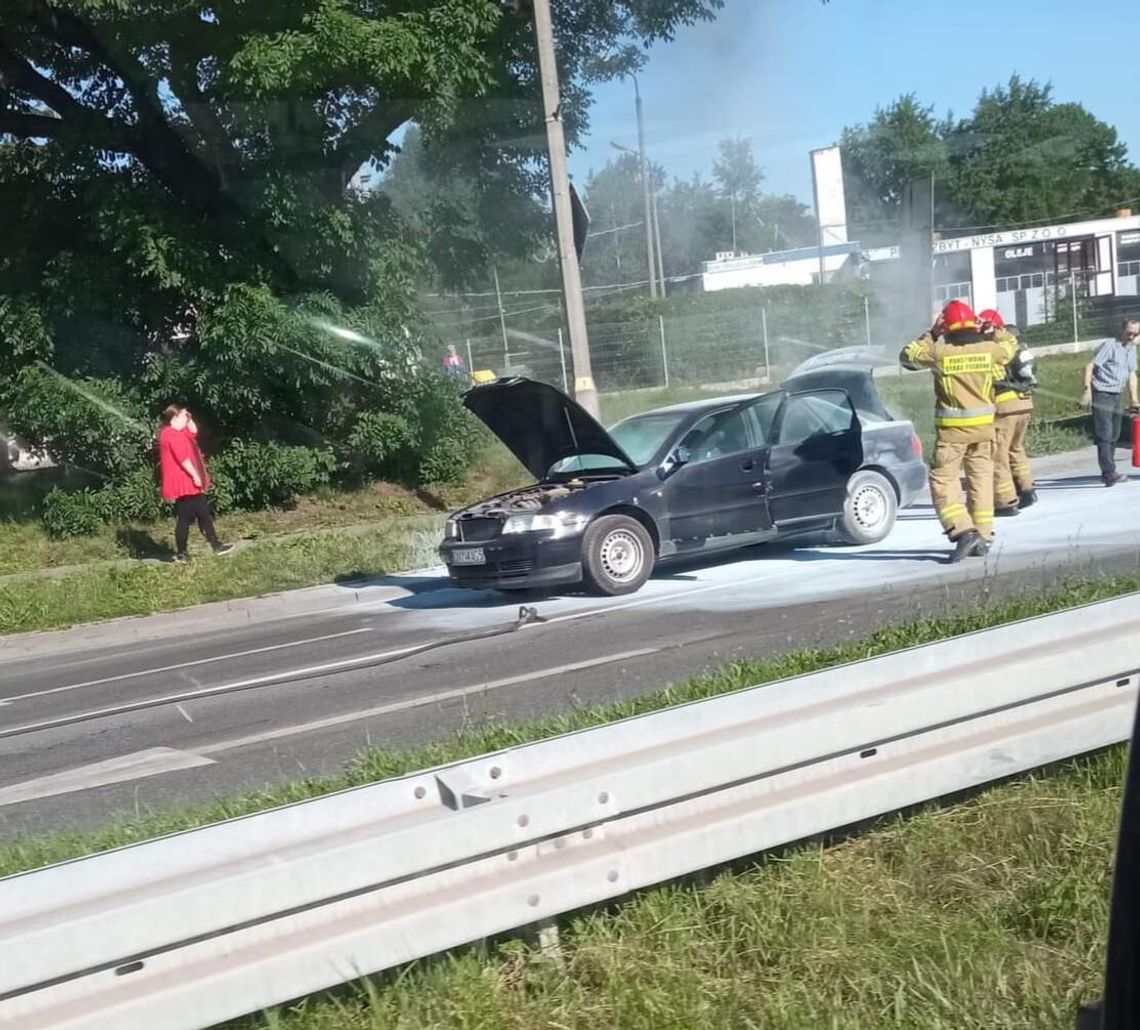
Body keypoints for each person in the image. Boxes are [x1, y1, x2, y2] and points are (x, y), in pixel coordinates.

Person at [900, 299, 1019, 563]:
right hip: (984, 430)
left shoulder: (941, 351)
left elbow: (907, 356)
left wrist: (931, 333)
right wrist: (993, 330)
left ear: (947, 326)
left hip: (953, 433)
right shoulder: (990, 349)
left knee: (943, 481)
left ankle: (963, 530)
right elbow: (1011, 346)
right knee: (980, 480)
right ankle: (984, 535)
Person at [978, 309, 1038, 516]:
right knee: (1016, 448)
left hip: (1005, 408)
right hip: (1024, 403)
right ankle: (1027, 490)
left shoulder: (992, 349)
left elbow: (989, 380)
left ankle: (1005, 502)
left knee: (998, 454)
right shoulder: (1014, 343)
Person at [158, 405, 233, 563]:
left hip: (188, 480)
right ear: (174, 417)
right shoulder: (170, 434)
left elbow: (194, 431)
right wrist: (195, 475)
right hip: (183, 481)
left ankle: (215, 545)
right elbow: (182, 458)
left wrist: (189, 418)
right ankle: (183, 553)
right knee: (185, 517)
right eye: (184, 416)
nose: (187, 418)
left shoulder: (181, 432)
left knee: (203, 512)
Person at [1082, 319, 1140, 486]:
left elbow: (1131, 374)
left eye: (1135, 334)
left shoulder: (1131, 349)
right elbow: (1090, 366)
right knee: (1105, 434)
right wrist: (1087, 390)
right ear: (1122, 330)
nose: (1131, 336)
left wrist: (1134, 399)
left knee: (1114, 434)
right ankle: (1108, 473)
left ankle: (1110, 469)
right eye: (1129, 332)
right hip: (1103, 394)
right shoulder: (1110, 346)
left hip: (1117, 395)